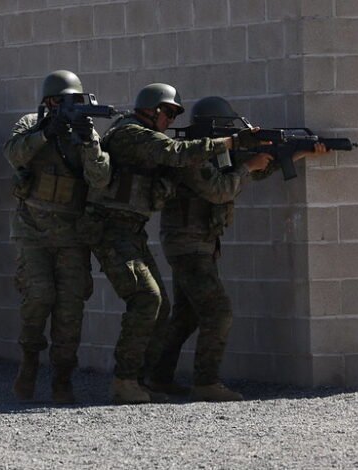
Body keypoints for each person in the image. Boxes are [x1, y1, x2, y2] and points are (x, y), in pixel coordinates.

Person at [80, 84, 267, 404]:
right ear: (151, 109)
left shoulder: (151, 138)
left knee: (162, 306)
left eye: (174, 114)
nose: (170, 119)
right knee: (147, 298)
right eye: (168, 112)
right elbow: (176, 154)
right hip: (109, 229)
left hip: (131, 230)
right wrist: (231, 141)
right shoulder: (131, 134)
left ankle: (142, 380)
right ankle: (126, 381)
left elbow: (204, 164)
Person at [143, 96, 328, 402]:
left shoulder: (214, 154)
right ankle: (206, 382)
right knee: (218, 312)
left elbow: (248, 172)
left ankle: (157, 377)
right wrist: (250, 166)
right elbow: (220, 190)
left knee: (187, 316)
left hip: (198, 244)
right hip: (188, 245)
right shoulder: (193, 157)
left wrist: (296, 152)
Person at [3, 70, 110, 404]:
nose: (63, 106)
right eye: (59, 101)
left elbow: (100, 177)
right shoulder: (30, 125)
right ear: (48, 102)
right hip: (32, 230)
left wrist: (89, 141)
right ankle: (30, 363)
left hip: (71, 235)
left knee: (69, 309)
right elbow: (13, 154)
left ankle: (62, 377)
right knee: (38, 297)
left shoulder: (85, 132)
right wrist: (46, 133)